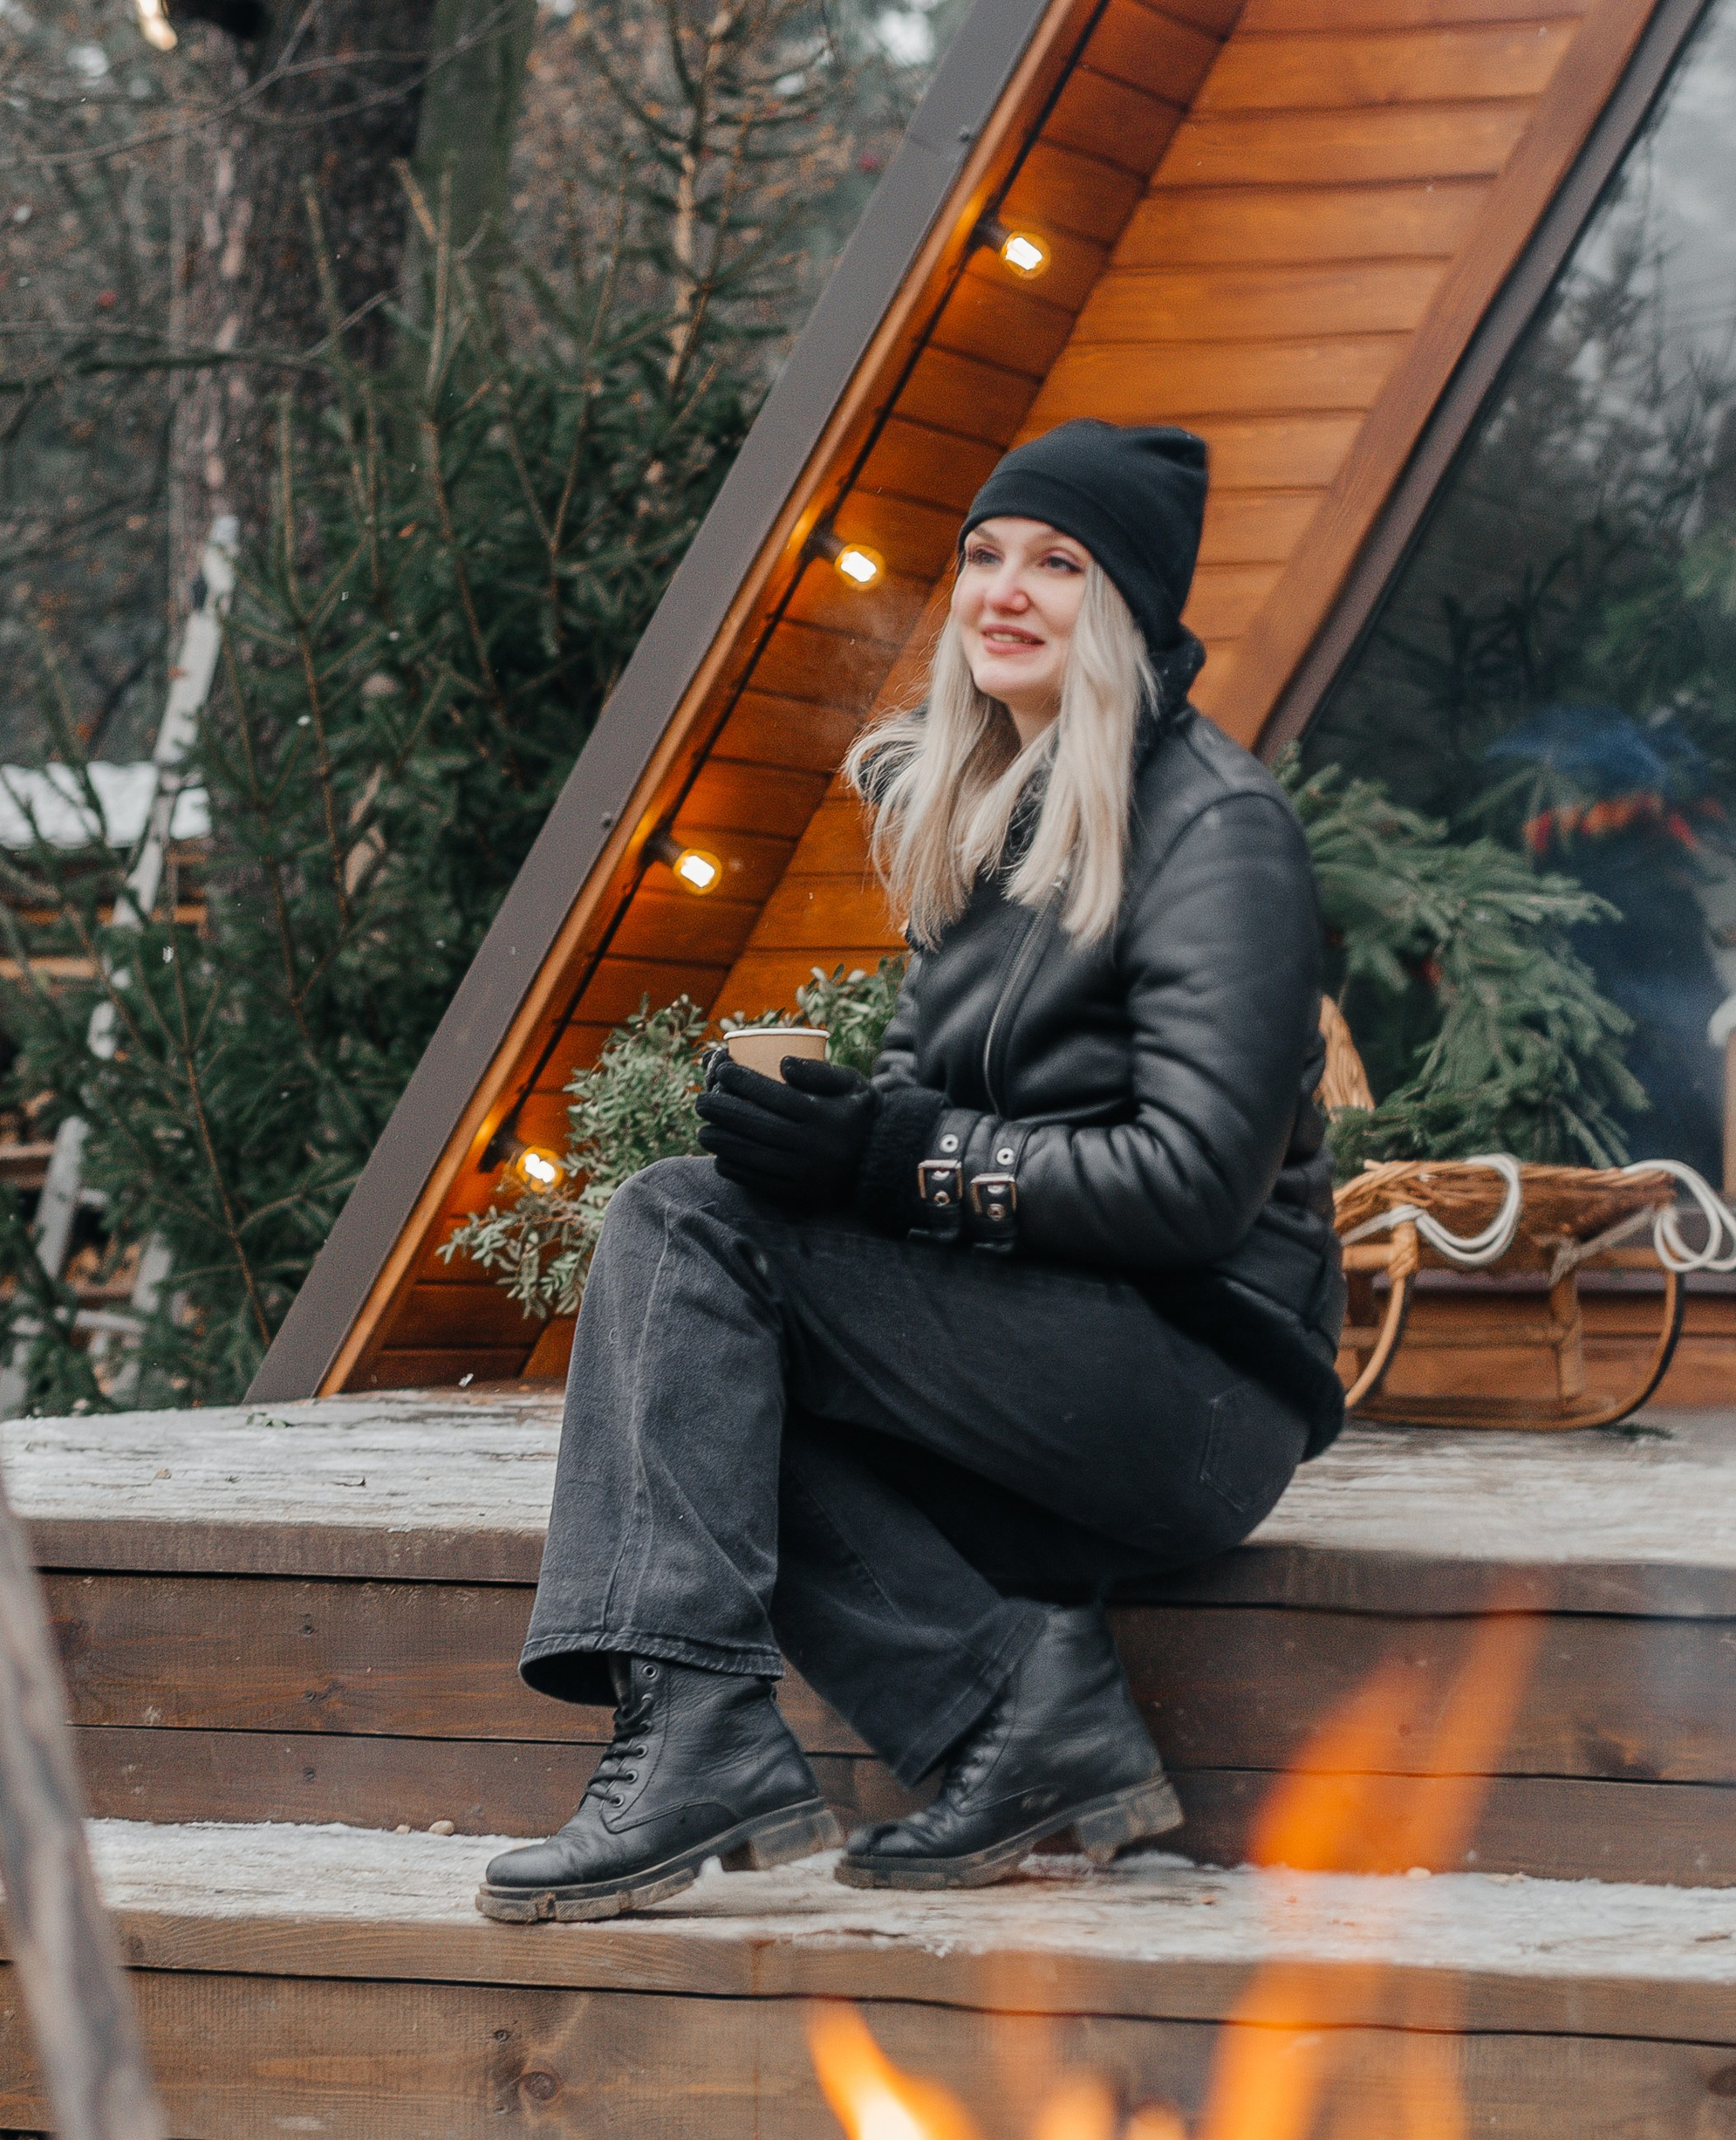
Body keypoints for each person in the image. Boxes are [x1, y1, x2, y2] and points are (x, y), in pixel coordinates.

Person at [481, 417, 1344, 1923]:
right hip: (1049, 1358)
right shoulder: (1001, 810)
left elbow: (1193, 1186)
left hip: (1196, 1394)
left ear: (1128, 611)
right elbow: (920, 1105)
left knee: (680, 1228)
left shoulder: (1221, 834)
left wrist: (898, 1161)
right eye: (986, 555)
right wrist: (824, 1139)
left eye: (1060, 564)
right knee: (702, 1334)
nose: (1005, 589)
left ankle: (694, 1732)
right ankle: (1029, 1713)